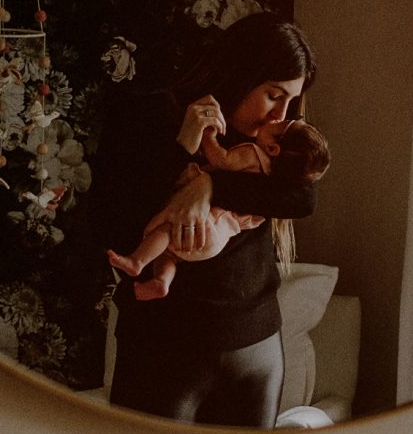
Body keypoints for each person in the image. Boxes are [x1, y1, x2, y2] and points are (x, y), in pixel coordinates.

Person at [91, 13, 322, 428]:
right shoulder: (150, 115)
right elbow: (112, 218)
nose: (280, 115)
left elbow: (303, 198)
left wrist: (209, 187)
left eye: (291, 101)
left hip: (258, 351)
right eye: (273, 95)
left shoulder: (272, 144)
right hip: (164, 349)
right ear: (241, 72)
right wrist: (182, 148)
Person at [107, 119, 331, 301]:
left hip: (208, 224)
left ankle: (137, 261)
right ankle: (161, 282)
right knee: (171, 255)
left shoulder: (252, 154)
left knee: (166, 232)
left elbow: (221, 159)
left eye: (281, 122)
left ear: (273, 147)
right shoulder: (277, 181)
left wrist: (207, 137)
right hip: (218, 237)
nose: (277, 116)